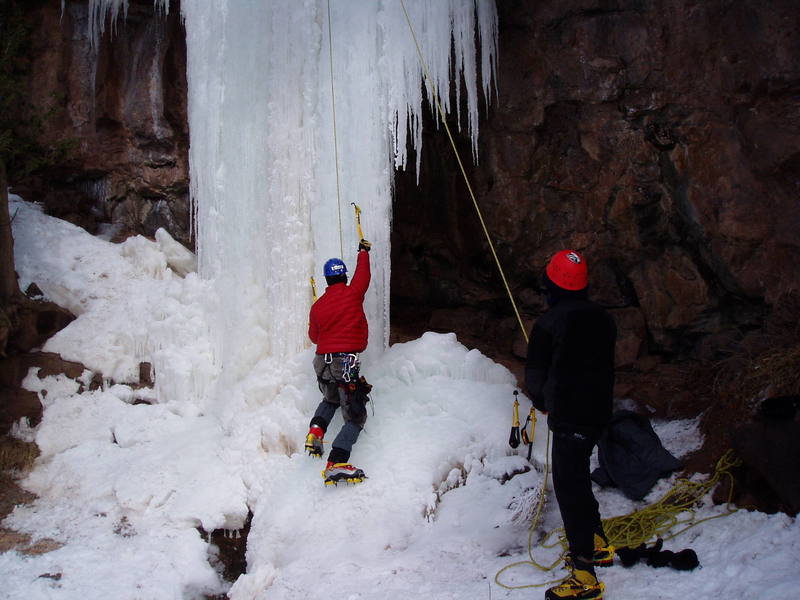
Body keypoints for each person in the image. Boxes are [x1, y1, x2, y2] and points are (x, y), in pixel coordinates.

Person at [525, 249, 617, 600]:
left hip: (570, 416)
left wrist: (543, 402)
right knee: (578, 476)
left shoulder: (548, 324)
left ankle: (584, 576)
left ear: (552, 283)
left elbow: (536, 377)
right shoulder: (604, 319)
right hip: (598, 413)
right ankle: (596, 542)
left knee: (570, 488)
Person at [305, 238, 372, 485]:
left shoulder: (318, 306)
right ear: (343, 276)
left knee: (330, 399)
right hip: (344, 363)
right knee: (355, 415)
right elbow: (363, 276)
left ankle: (315, 432)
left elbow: (314, 337)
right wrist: (363, 252)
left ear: (326, 280)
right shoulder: (352, 293)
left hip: (322, 362)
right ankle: (336, 462)